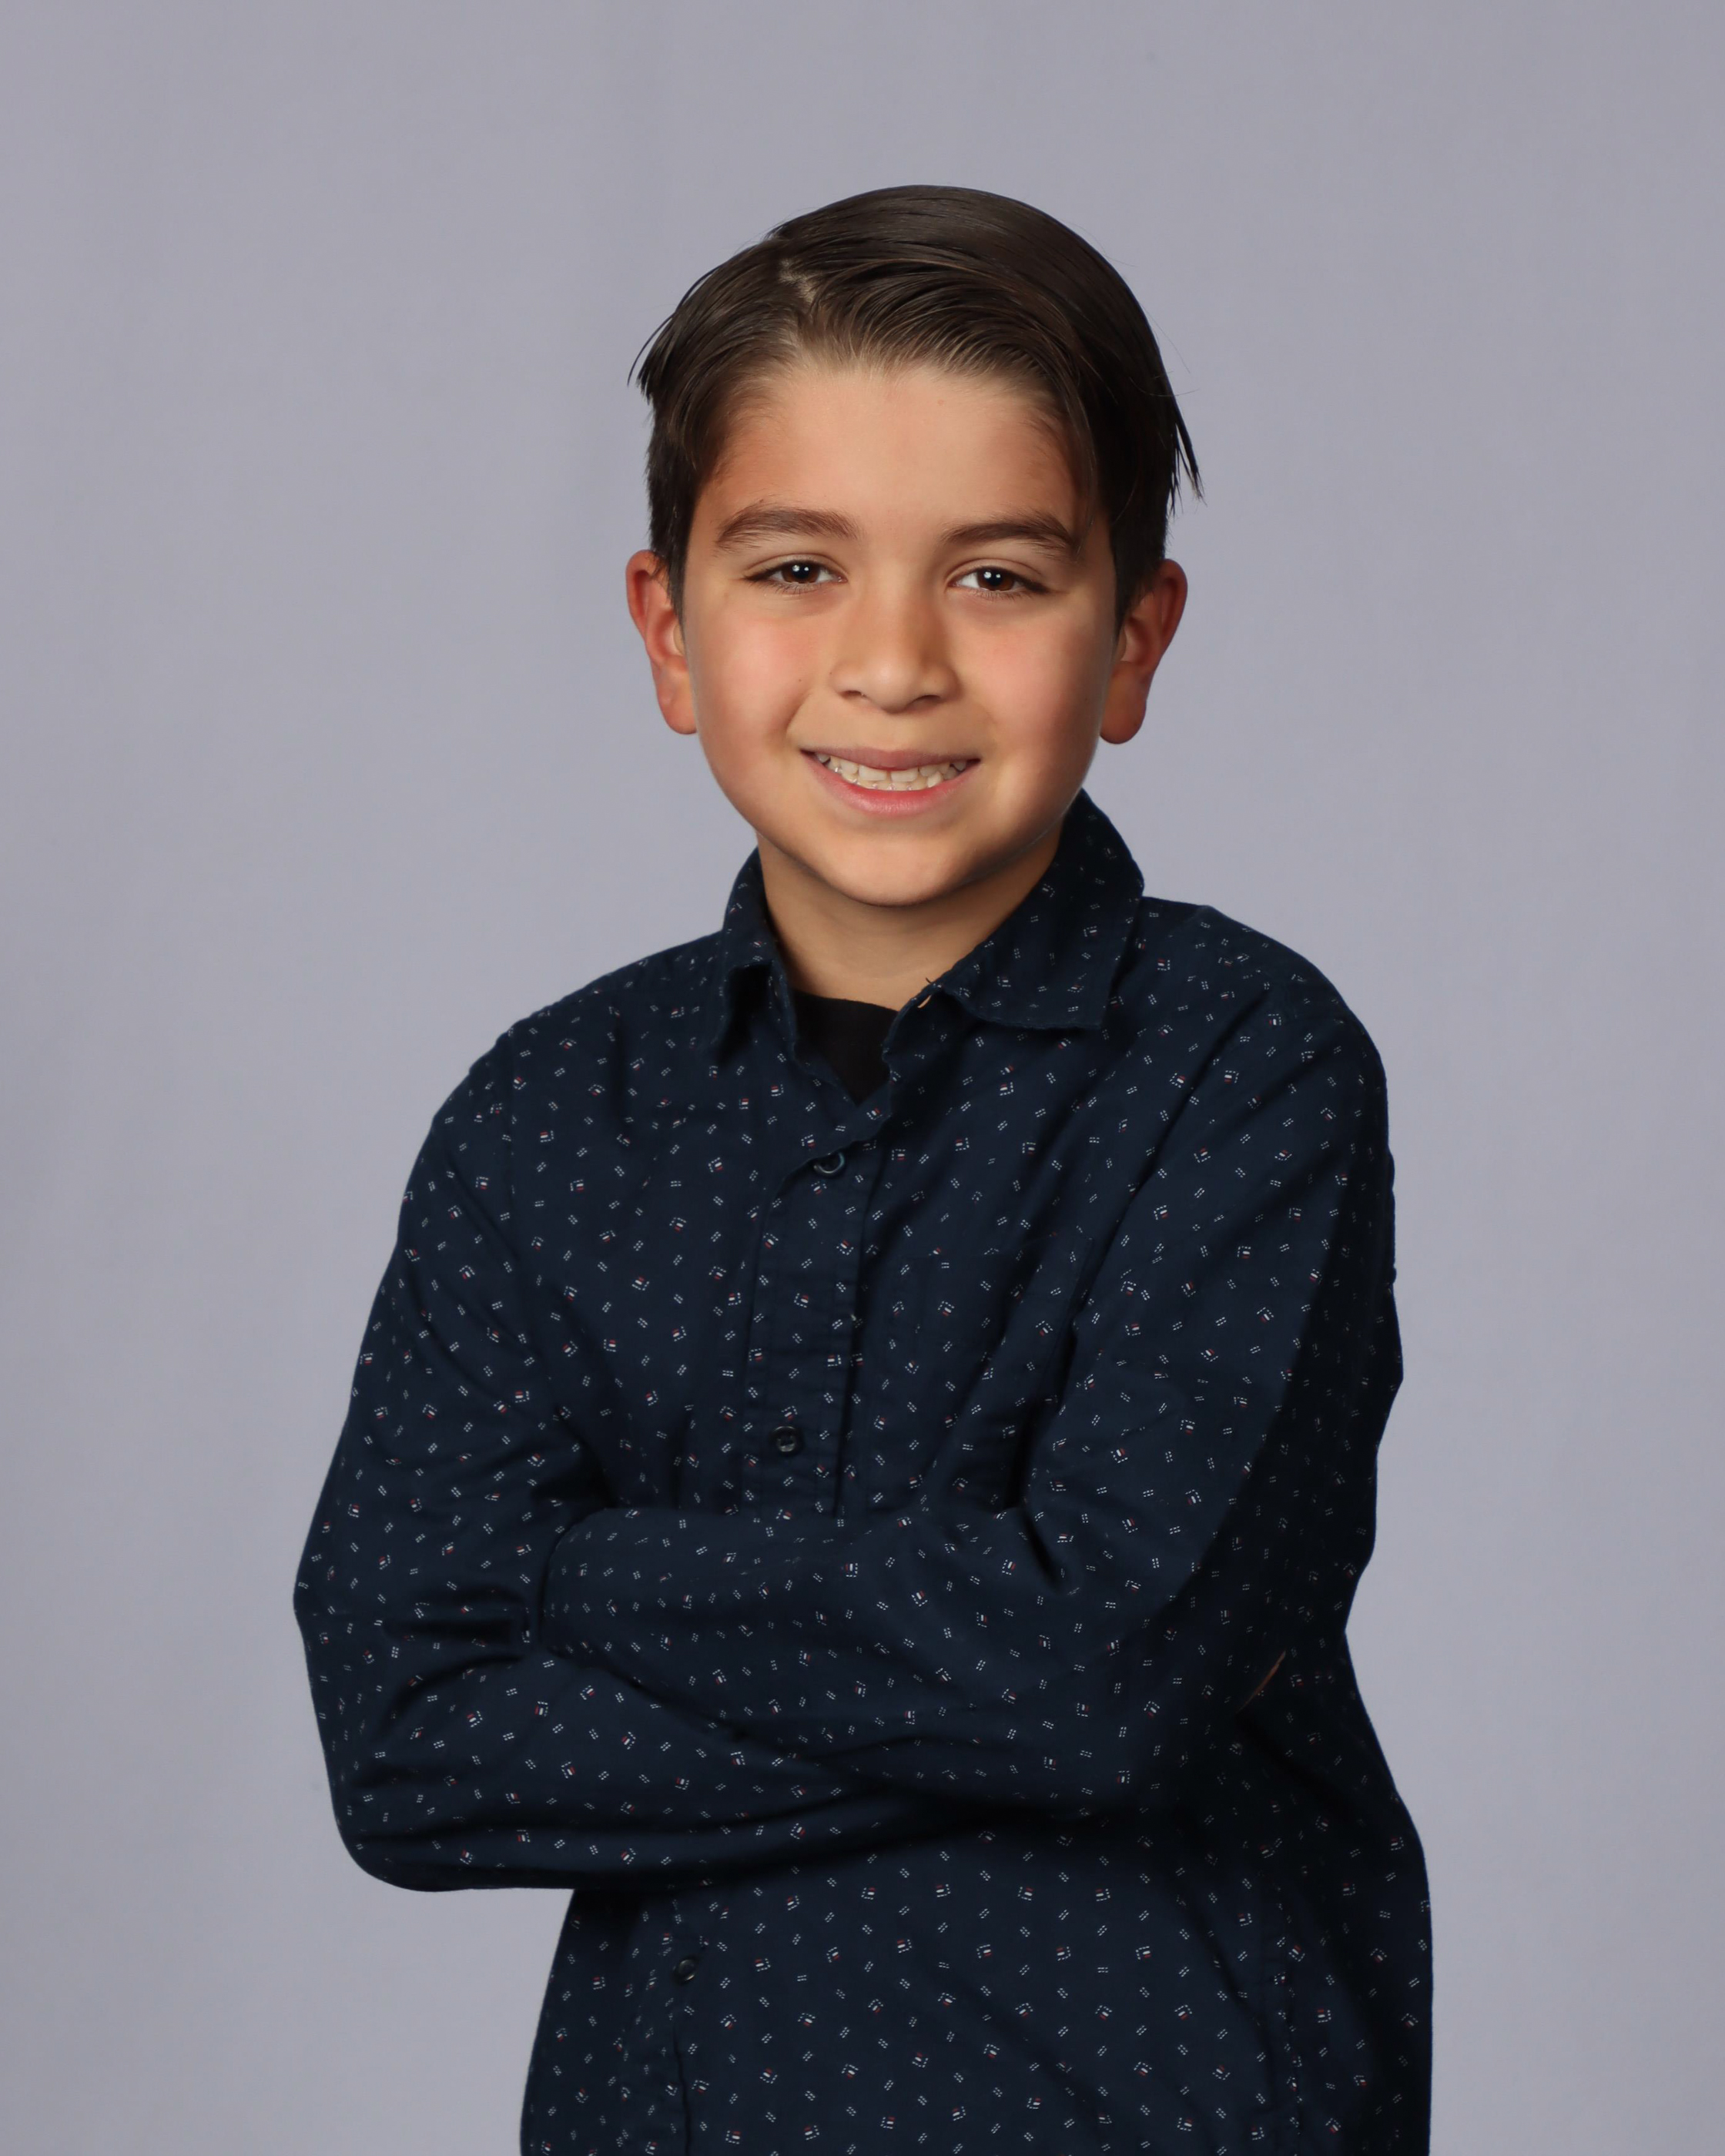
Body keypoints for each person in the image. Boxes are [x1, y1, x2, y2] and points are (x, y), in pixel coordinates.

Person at [296, 185, 1430, 2156]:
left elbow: (1103, 1686)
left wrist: (575, 1576)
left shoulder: (1244, 1067)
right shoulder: (546, 1114)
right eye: (798, 566)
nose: (891, 661)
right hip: (679, 2109)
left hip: (1164, 2103)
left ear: (1131, 641)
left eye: (995, 575)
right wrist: (1012, 1658)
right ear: (670, 630)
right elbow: (407, 1741)